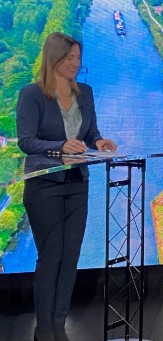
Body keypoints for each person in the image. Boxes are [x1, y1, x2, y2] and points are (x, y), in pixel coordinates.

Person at [16, 32, 117, 341]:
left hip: (77, 183)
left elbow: (91, 133)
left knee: (70, 256)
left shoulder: (85, 92)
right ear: (54, 59)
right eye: (69, 58)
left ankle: (59, 327)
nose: (75, 64)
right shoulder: (32, 94)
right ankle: (43, 330)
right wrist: (61, 146)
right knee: (52, 256)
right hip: (44, 186)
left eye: (77, 58)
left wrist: (99, 142)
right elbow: (26, 142)